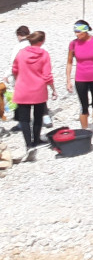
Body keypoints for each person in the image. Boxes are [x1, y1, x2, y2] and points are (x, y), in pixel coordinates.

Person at [12, 30, 56, 161]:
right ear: (42, 41)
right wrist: (53, 89)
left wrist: (19, 79)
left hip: (22, 89)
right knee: (38, 117)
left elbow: (15, 69)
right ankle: (36, 141)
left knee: (24, 119)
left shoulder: (21, 53)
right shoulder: (44, 54)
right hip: (39, 89)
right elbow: (47, 75)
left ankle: (28, 145)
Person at [67, 20, 93, 129]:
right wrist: (68, 81)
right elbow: (69, 62)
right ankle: (84, 130)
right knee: (83, 105)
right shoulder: (73, 44)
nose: (76, 34)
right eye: (75, 32)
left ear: (85, 31)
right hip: (81, 78)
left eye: (78, 32)